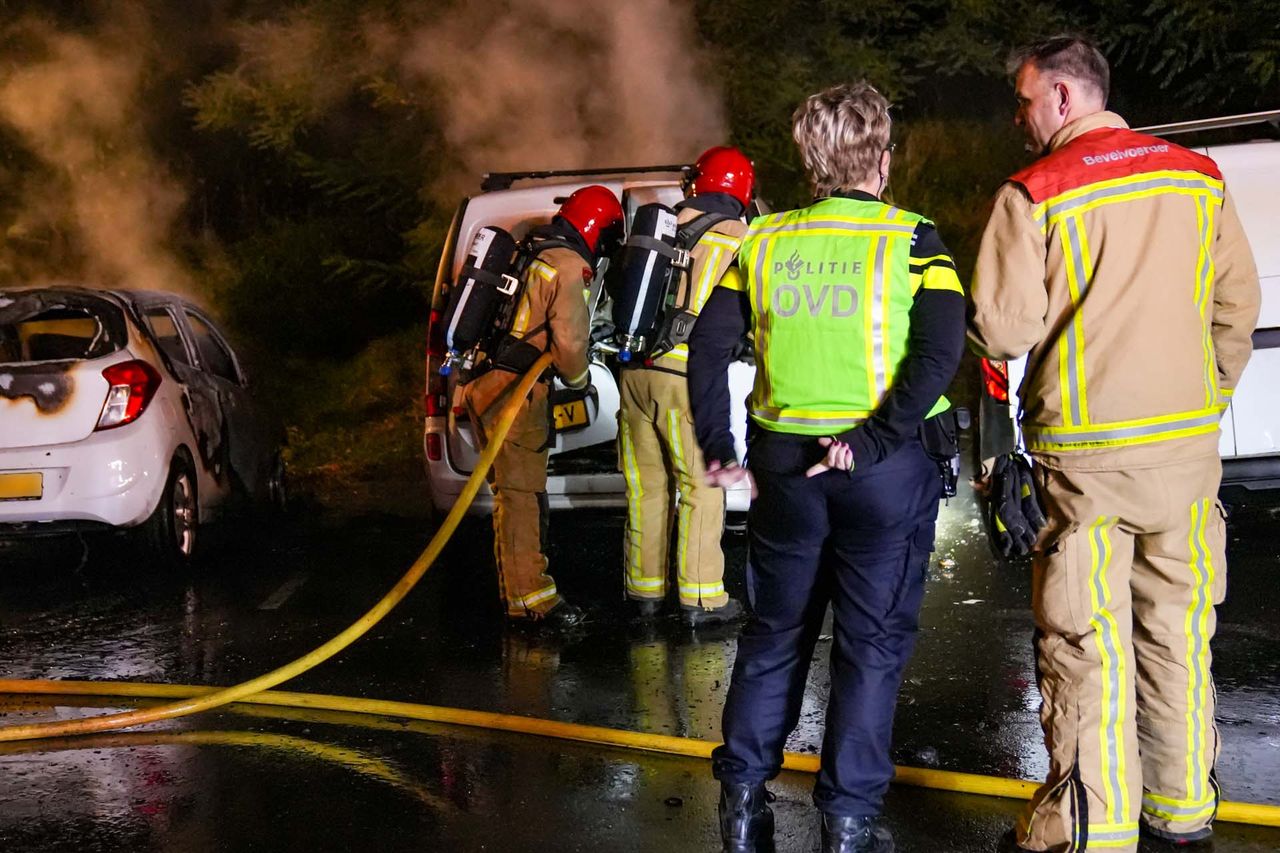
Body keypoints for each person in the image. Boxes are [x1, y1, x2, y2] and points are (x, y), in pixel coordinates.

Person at [968, 36, 1261, 852]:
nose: (1020, 118)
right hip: (1186, 451)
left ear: (1064, 98)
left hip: (1086, 463)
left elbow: (1001, 329)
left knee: (1085, 642)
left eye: (1026, 101)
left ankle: (1092, 829)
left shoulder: (1035, 193)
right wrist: (1206, 395)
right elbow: (1237, 303)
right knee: (1178, 630)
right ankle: (1183, 810)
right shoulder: (1195, 177)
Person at [689, 82, 965, 853]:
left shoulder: (763, 242)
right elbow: (942, 353)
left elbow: (708, 349)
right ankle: (847, 824)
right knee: (869, 647)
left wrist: (718, 448)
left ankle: (743, 805)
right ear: (880, 156)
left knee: (775, 632)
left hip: (784, 468)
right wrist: (877, 438)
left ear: (810, 161)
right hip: (878, 471)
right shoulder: (914, 240)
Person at [463, 185, 624, 630]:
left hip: (488, 384)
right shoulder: (570, 266)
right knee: (522, 499)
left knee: (512, 496)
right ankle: (533, 602)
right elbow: (570, 344)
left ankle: (520, 593)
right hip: (515, 392)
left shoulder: (535, 249)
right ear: (598, 229)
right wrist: (580, 380)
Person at [618, 146, 753, 627]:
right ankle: (701, 599)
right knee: (701, 488)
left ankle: (645, 593)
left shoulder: (661, 228)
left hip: (634, 374)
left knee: (646, 488)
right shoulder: (739, 236)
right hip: (684, 378)